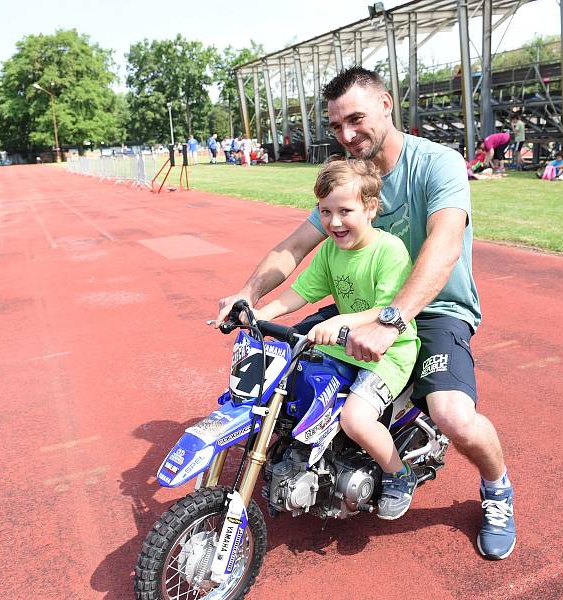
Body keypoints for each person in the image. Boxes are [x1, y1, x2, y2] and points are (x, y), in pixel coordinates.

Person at [215, 66, 517, 560]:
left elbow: (443, 248)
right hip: (362, 304)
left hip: (434, 310)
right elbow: (294, 247)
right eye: (336, 126)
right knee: (280, 359)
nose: (347, 135)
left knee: (453, 416)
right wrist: (248, 294)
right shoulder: (350, 185)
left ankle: (497, 487)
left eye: (356, 119)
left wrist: (391, 319)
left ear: (386, 105)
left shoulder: (436, 164)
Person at [248, 156, 420, 519]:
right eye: (325, 212)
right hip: (345, 348)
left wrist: (341, 320)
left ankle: (398, 474)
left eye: (345, 210)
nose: (334, 222)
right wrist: (263, 312)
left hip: (388, 352)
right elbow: (302, 291)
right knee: (293, 385)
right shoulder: (329, 249)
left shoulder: (388, 250)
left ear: (371, 207)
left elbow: (387, 310)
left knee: (356, 419)